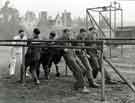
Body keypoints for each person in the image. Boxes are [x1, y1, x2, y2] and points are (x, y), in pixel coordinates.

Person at [56, 28, 90, 93]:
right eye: (67, 33)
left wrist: (76, 46)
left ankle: (77, 84)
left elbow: (75, 43)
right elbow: (55, 46)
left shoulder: (69, 38)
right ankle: (83, 87)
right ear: (64, 33)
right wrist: (63, 49)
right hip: (69, 58)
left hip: (74, 56)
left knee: (84, 70)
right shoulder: (60, 39)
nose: (69, 34)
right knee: (79, 71)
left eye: (69, 32)